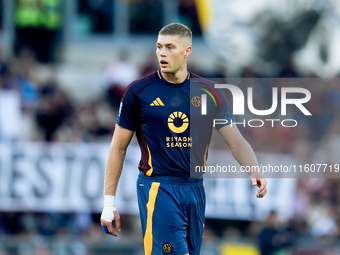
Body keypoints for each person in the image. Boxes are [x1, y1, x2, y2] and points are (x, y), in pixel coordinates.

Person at [100, 23, 267, 255]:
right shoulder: (138, 91)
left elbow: (236, 141)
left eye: (170, 47)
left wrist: (254, 170)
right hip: (158, 188)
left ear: (187, 51)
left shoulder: (210, 92)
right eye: (159, 47)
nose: (162, 53)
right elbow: (118, 147)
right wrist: (109, 203)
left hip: (195, 189)